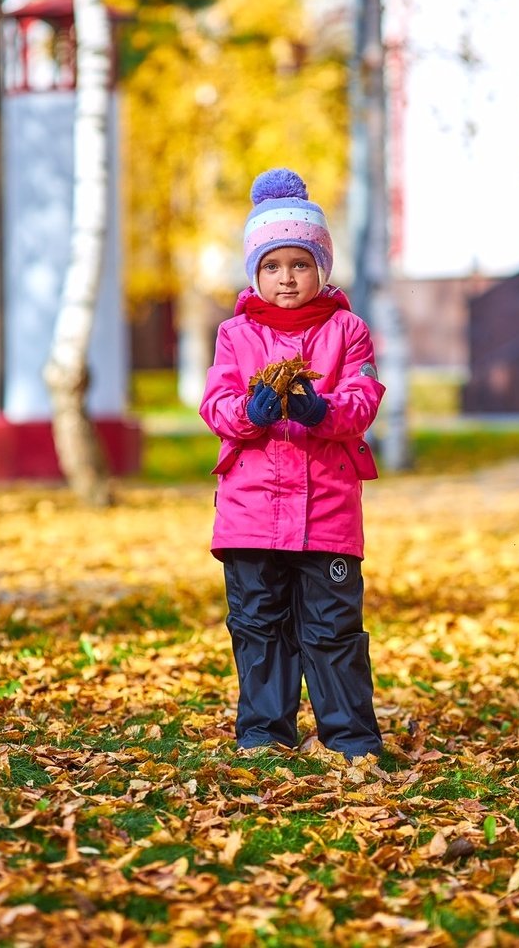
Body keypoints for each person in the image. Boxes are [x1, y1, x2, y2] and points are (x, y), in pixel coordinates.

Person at [199, 168, 385, 761]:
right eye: (273, 266)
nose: (286, 278)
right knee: (259, 629)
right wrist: (249, 413)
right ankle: (264, 734)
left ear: (321, 269)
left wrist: (319, 410)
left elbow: (363, 400)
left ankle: (350, 738)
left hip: (327, 516)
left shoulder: (348, 331)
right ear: (255, 271)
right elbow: (215, 404)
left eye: (300, 264)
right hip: (251, 515)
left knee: (332, 631)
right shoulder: (235, 335)